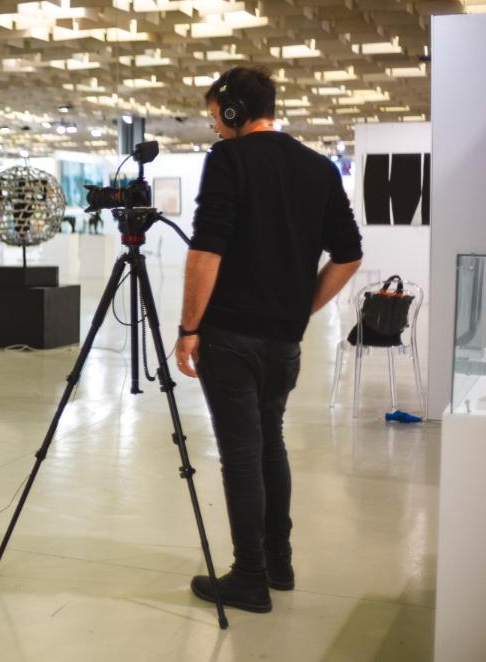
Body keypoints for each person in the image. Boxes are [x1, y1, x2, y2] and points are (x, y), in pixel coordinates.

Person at [175, 66, 362, 613]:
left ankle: (249, 578)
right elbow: (349, 255)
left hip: (229, 337)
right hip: (282, 342)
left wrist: (188, 329)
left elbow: (207, 250)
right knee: (269, 445)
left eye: (216, 116)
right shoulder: (319, 168)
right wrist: (298, 308)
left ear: (234, 111)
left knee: (240, 454)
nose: (215, 127)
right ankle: (279, 563)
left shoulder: (228, 159)